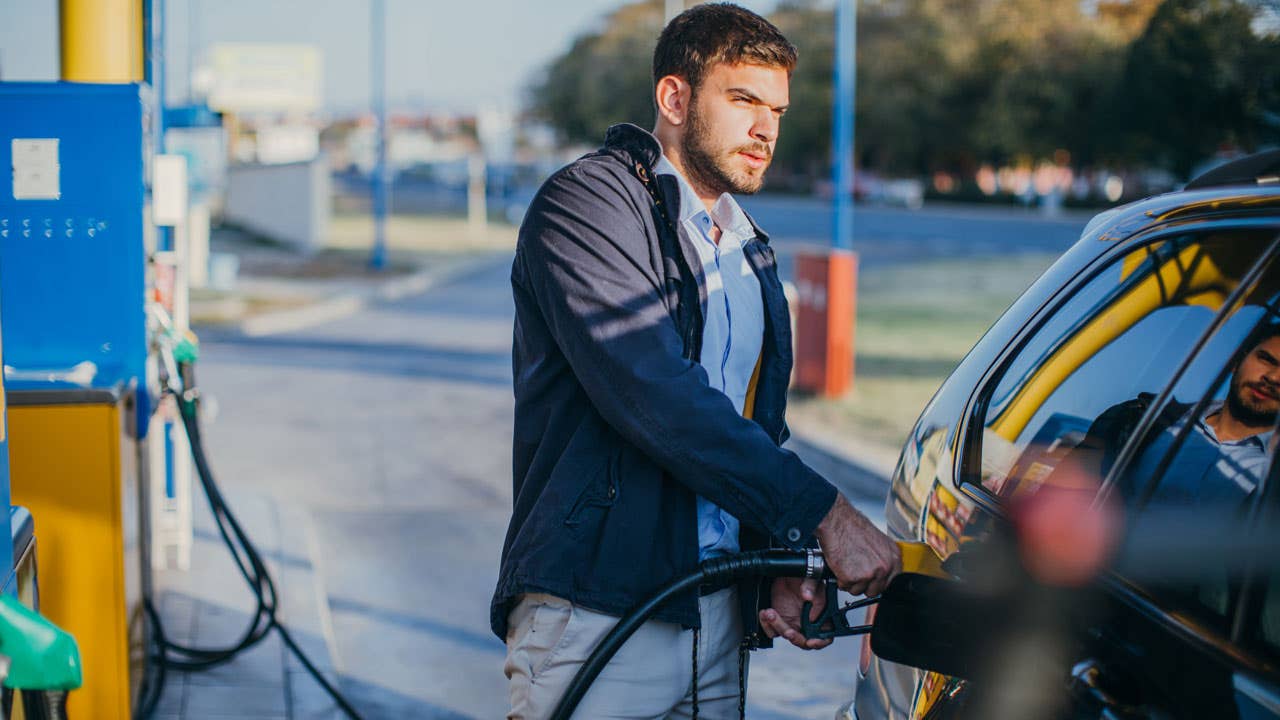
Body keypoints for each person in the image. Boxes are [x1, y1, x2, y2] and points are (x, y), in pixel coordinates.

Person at [491, 4, 901, 718]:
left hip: (715, 617)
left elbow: (752, 426)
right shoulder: (587, 206)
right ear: (674, 98)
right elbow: (658, 396)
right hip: (598, 611)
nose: (766, 128)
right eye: (743, 100)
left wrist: (777, 555)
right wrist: (820, 514)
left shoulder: (748, 247)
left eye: (776, 109)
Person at [1072, 323, 1280, 507]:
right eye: (1267, 360)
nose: (1273, 377)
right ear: (1236, 361)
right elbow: (1066, 496)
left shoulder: (1273, 472)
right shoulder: (1140, 419)